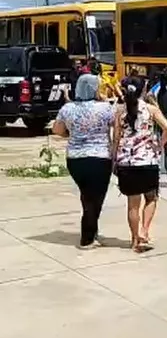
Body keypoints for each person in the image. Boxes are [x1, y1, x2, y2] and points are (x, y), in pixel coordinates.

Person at [52, 74, 115, 249]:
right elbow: (116, 127)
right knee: (96, 197)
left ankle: (91, 231)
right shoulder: (105, 108)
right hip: (100, 157)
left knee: (86, 194)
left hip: (75, 158)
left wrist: (71, 134)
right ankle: (87, 237)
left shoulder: (67, 108)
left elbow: (57, 129)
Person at [112, 76, 167, 252]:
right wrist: (159, 145)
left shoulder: (120, 112)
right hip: (147, 160)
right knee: (151, 197)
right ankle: (144, 232)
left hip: (127, 162)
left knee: (132, 204)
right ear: (143, 90)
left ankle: (133, 239)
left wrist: (114, 159)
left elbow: (116, 138)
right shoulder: (151, 109)